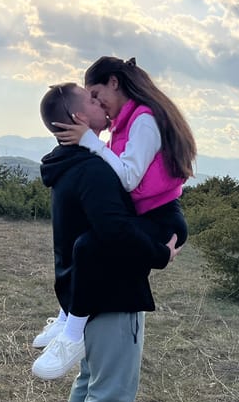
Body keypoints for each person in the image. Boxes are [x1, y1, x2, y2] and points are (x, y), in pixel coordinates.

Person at [37, 82, 180, 402]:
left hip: (84, 287)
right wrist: (161, 253)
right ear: (79, 119)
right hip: (112, 290)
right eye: (92, 101)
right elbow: (115, 230)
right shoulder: (95, 169)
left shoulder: (67, 166)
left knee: (89, 380)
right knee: (113, 391)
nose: (101, 105)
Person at [32, 56, 196, 378]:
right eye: (90, 99)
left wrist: (92, 142)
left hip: (162, 219)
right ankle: (69, 318)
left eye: (96, 94)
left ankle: (72, 334)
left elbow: (130, 178)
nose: (97, 102)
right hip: (145, 215)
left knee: (89, 246)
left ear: (114, 83)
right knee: (85, 242)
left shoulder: (143, 120)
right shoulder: (121, 125)